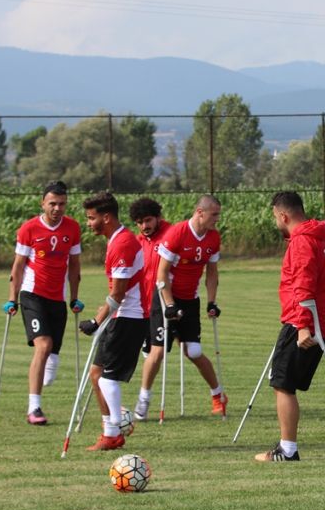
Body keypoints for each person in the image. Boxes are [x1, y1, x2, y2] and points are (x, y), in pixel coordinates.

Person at [256, 191, 325, 462]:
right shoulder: (319, 238)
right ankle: (287, 447)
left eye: (275, 217)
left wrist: (302, 326)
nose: (276, 222)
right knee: (285, 383)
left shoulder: (302, 242)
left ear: (283, 215)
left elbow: (304, 284)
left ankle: (287, 450)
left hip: (299, 322)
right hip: (319, 321)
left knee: (282, 384)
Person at [4, 180, 83, 425]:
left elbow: (75, 266)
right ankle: (34, 408)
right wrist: (12, 299)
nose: (57, 208)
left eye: (61, 204)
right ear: (43, 203)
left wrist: (74, 297)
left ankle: (48, 370)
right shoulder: (28, 229)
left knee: (52, 351)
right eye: (52, 204)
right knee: (43, 345)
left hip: (57, 299)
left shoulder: (72, 228)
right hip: (32, 295)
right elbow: (18, 267)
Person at [78, 192, 148, 451]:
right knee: (96, 375)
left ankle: (114, 432)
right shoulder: (116, 240)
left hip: (129, 317)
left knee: (107, 379)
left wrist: (96, 321)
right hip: (119, 315)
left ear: (106, 217)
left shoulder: (122, 244)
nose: (88, 223)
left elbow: (118, 293)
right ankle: (109, 431)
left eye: (91, 218)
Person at [155, 195, 228, 418]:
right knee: (155, 352)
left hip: (190, 299)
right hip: (165, 297)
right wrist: (169, 304)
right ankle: (143, 402)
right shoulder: (177, 233)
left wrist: (211, 302)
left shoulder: (213, 238)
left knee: (193, 351)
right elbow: (161, 272)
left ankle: (218, 395)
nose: (217, 219)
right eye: (214, 214)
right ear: (200, 212)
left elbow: (212, 273)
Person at [127, 197, 171, 420]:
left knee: (159, 351)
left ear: (157, 218)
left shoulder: (171, 235)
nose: (144, 226)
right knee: (148, 355)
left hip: (163, 302)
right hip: (140, 306)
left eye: (148, 220)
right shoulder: (136, 242)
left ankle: (143, 400)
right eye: (139, 222)